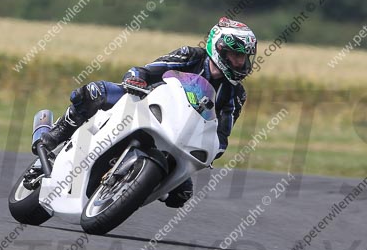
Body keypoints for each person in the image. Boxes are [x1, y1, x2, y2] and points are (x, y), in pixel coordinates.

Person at [34, 17, 257, 208]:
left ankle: (129, 191)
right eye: (236, 55)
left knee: (182, 196)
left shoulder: (235, 94)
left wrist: (212, 150)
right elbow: (147, 70)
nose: (241, 62)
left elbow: (222, 135)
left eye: (244, 57)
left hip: (180, 139)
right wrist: (137, 78)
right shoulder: (190, 56)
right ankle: (54, 135)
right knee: (94, 93)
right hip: (146, 105)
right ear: (219, 49)